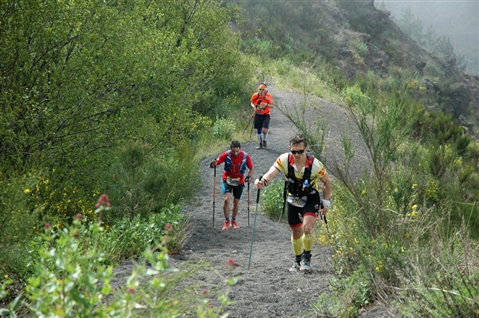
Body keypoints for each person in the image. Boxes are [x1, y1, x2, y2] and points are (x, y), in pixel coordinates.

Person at [254, 134, 332, 272]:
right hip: (293, 198)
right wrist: (262, 182)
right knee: (296, 231)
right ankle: (297, 260)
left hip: (310, 197)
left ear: (306, 149)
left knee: (307, 228)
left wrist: (325, 204)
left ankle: (307, 258)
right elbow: (271, 174)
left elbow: (326, 182)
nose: (297, 154)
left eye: (300, 151)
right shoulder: (284, 160)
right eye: (293, 151)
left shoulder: (315, 165)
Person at [210, 140, 254, 230]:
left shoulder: (245, 156)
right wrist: (213, 163)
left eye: (237, 151)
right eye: (233, 151)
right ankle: (227, 221)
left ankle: (233, 221)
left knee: (236, 201)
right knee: (227, 199)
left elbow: (251, 168)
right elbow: (215, 163)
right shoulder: (226, 155)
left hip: (239, 181)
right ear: (230, 149)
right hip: (227, 179)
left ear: (240, 149)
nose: (235, 153)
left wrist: (249, 176)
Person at [250, 83, 274, 149]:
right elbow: (252, 102)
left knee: (264, 130)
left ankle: (264, 140)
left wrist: (266, 105)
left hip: (266, 115)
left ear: (265, 90)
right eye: (260, 89)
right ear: (258, 90)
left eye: (263, 89)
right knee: (259, 130)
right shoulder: (255, 95)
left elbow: (272, 106)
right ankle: (260, 144)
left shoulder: (268, 96)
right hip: (257, 114)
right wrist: (254, 107)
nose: (261, 91)